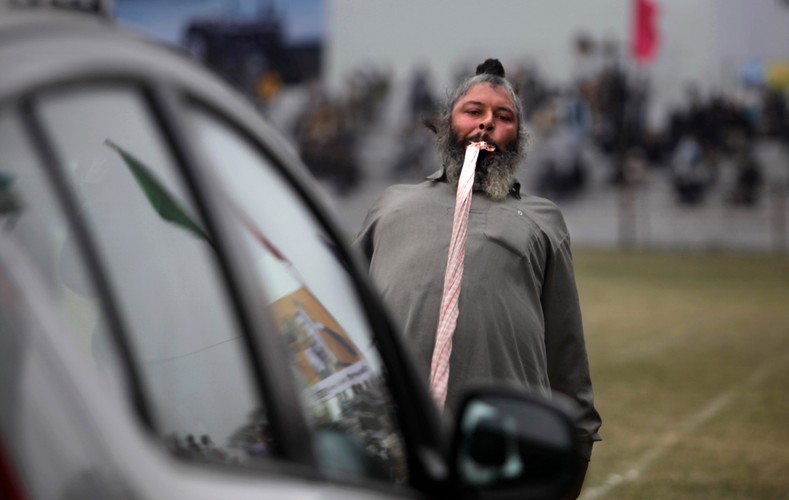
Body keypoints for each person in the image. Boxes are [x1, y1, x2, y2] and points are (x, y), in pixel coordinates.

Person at [354, 58, 601, 497]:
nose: (487, 123)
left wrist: (576, 442)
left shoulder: (543, 219)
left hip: (500, 444)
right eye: (474, 111)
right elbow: (339, 311)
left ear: (519, 139)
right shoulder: (391, 204)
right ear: (447, 123)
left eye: (504, 117)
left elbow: (566, 347)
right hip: (392, 434)